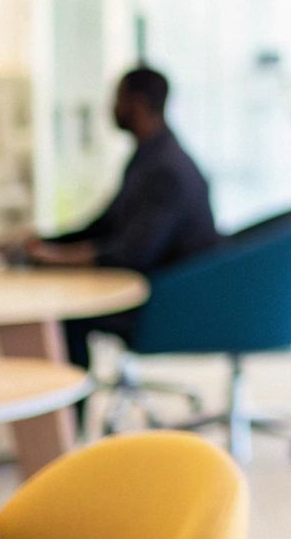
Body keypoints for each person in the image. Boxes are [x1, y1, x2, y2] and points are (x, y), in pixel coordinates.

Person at [24, 66, 220, 373]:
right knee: (61, 302)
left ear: (137, 104)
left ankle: (68, 416)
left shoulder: (166, 169)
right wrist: (44, 242)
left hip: (170, 304)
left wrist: (53, 258)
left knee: (66, 313)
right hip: (162, 289)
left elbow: (132, 253)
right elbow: (106, 226)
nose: (109, 108)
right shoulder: (150, 156)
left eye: (116, 98)